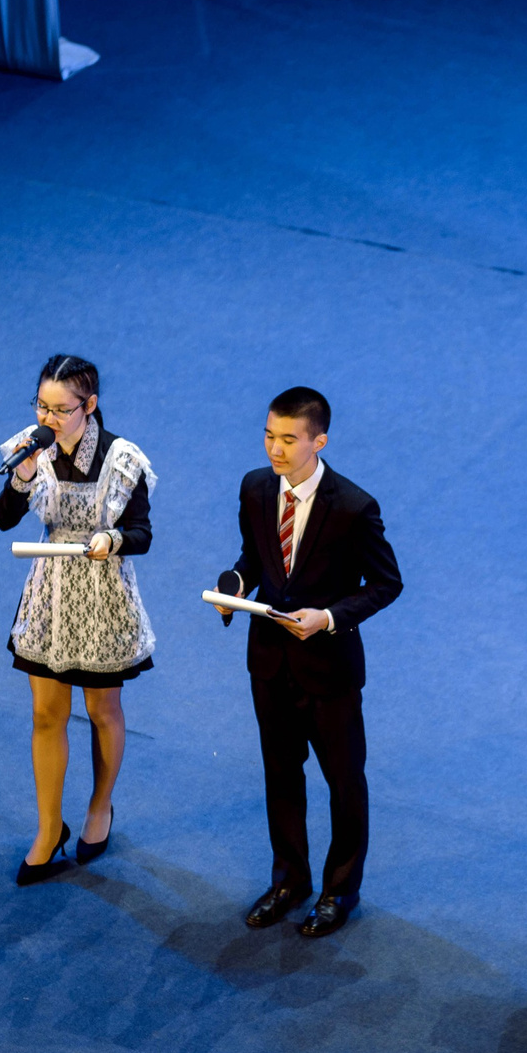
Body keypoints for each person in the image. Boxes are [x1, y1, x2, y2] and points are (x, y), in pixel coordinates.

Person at [216, 387, 402, 937]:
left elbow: (387, 584)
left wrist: (328, 616)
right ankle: (288, 880)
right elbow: (255, 554)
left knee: (344, 782)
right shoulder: (254, 488)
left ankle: (340, 891)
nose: (275, 449)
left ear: (319, 441)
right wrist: (235, 584)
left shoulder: (353, 506)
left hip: (329, 672)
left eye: (288, 439)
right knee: (280, 775)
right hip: (269, 664)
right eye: (270, 435)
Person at [0, 354, 157, 886]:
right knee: (46, 714)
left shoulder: (122, 459)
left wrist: (111, 540)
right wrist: (20, 476)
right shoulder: (31, 447)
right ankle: (48, 829)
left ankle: (99, 808)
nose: (49, 419)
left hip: (103, 592)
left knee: (102, 708)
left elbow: (143, 535)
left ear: (89, 406)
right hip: (51, 594)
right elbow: (3, 518)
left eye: (62, 409)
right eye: (42, 406)